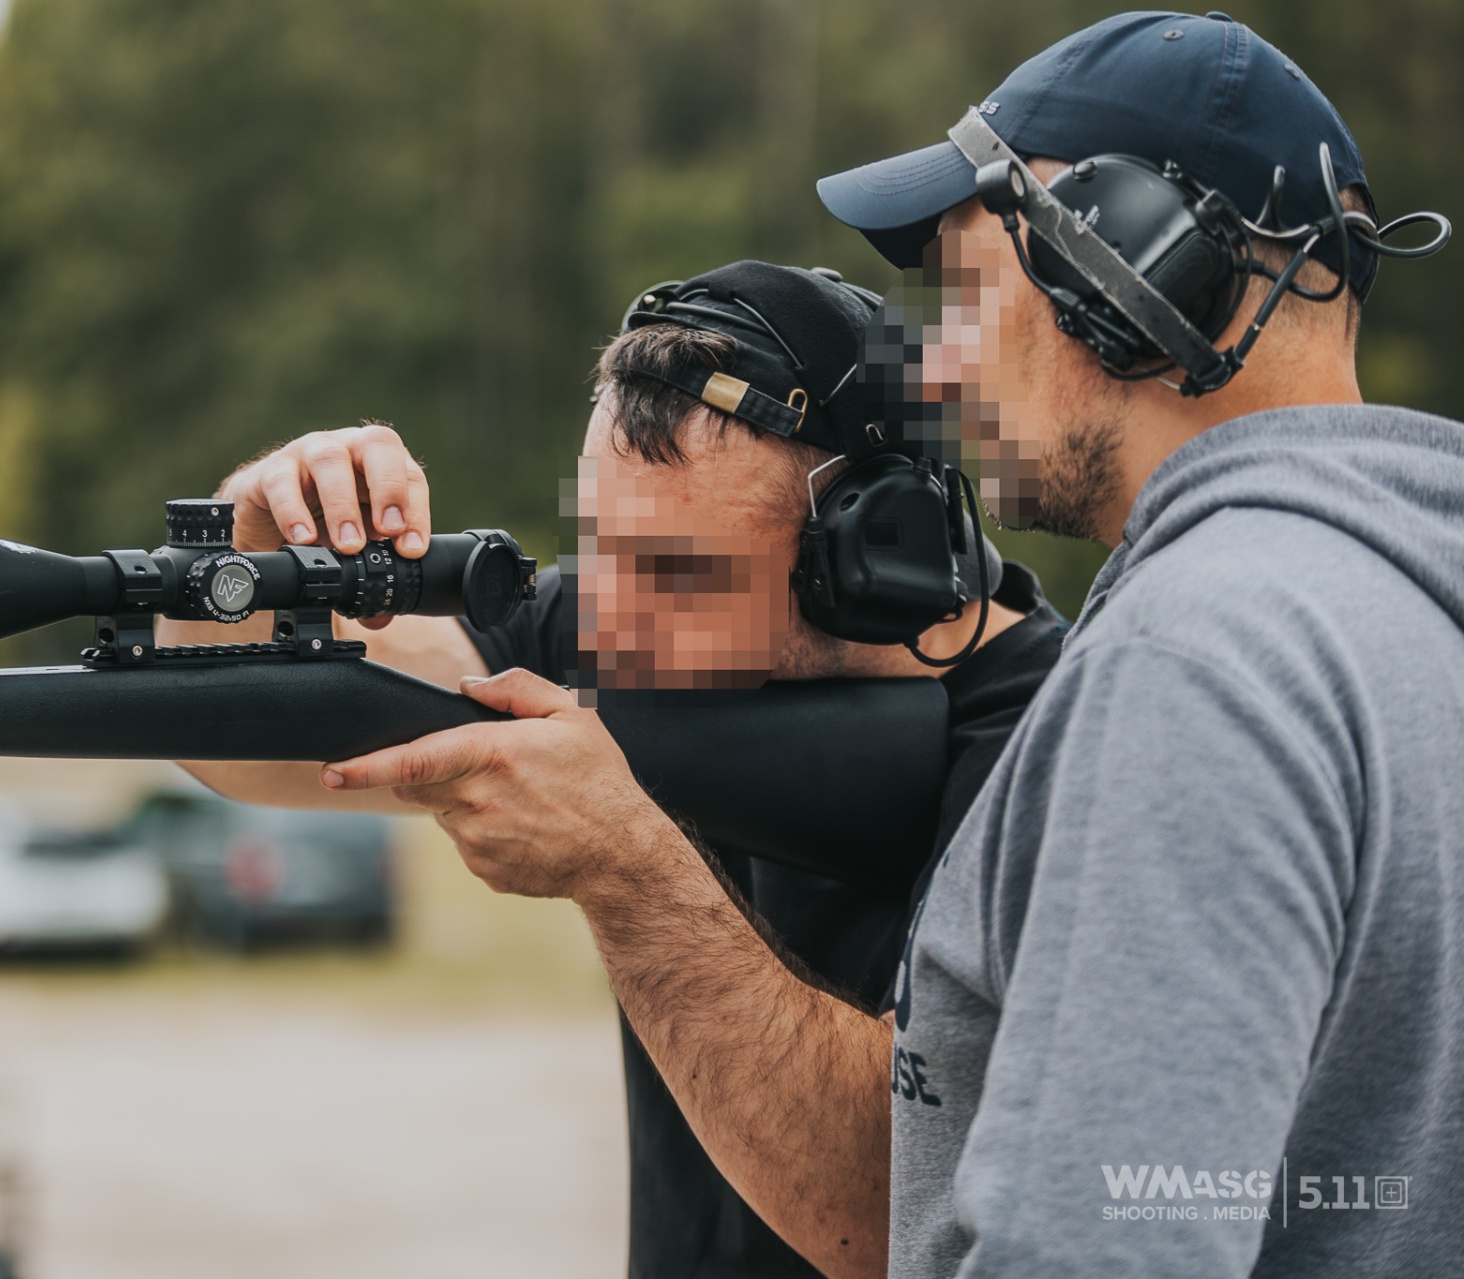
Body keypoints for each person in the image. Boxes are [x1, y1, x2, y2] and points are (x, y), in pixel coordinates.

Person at [334, 10, 1464, 1278]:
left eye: (971, 289)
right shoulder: (1404, 615)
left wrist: (632, 874)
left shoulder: (1196, 662)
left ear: (1131, 271)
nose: (951, 365)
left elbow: (1086, 1247)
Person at [165, 261, 1066, 1279]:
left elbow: (897, 1217)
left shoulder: (1069, 743)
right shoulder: (614, 623)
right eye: (598, 554)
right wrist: (246, 540)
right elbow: (232, 733)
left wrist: (630, 871)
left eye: (679, 573)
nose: (608, 627)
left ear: (875, 558)